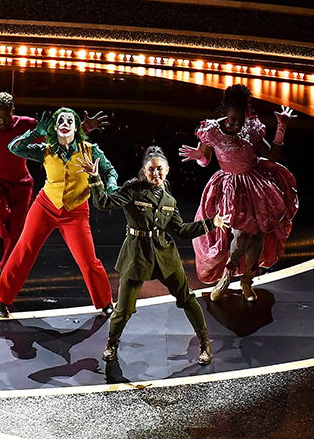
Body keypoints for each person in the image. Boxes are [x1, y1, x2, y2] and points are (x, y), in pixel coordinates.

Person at [79, 146, 229, 364]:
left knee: (187, 298)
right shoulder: (133, 190)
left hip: (165, 257)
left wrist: (210, 224)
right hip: (136, 257)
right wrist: (95, 178)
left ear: (167, 170)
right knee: (123, 309)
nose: (156, 174)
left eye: (160, 169)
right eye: (151, 170)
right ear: (144, 170)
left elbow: (182, 230)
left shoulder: (169, 201)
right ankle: (112, 343)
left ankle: (204, 343)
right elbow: (103, 203)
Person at [0, 92, 108, 272]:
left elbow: (57, 137)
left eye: (6, 117)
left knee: (16, 231)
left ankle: (4, 269)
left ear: (12, 111)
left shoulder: (26, 125)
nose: (2, 121)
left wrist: (84, 127)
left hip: (21, 185)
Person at [0, 107, 118, 318]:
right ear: (55, 127)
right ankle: (1, 298)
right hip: (46, 206)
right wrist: (34, 132)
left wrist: (111, 186)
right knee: (24, 250)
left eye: (70, 120)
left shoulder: (90, 149)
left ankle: (105, 302)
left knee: (88, 260)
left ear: (77, 127)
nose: (65, 123)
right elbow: (13, 147)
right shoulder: (46, 149)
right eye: (61, 120)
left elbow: (110, 171)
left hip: (76, 210)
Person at [180, 84, 297, 301]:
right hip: (231, 189)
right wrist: (199, 155)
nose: (235, 124)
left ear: (246, 112)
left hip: (256, 187)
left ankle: (246, 282)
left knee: (258, 235)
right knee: (241, 236)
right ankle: (226, 278)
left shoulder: (252, 129)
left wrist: (281, 128)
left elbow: (271, 155)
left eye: (239, 119)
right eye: (232, 119)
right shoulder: (212, 131)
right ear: (225, 113)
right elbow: (206, 160)